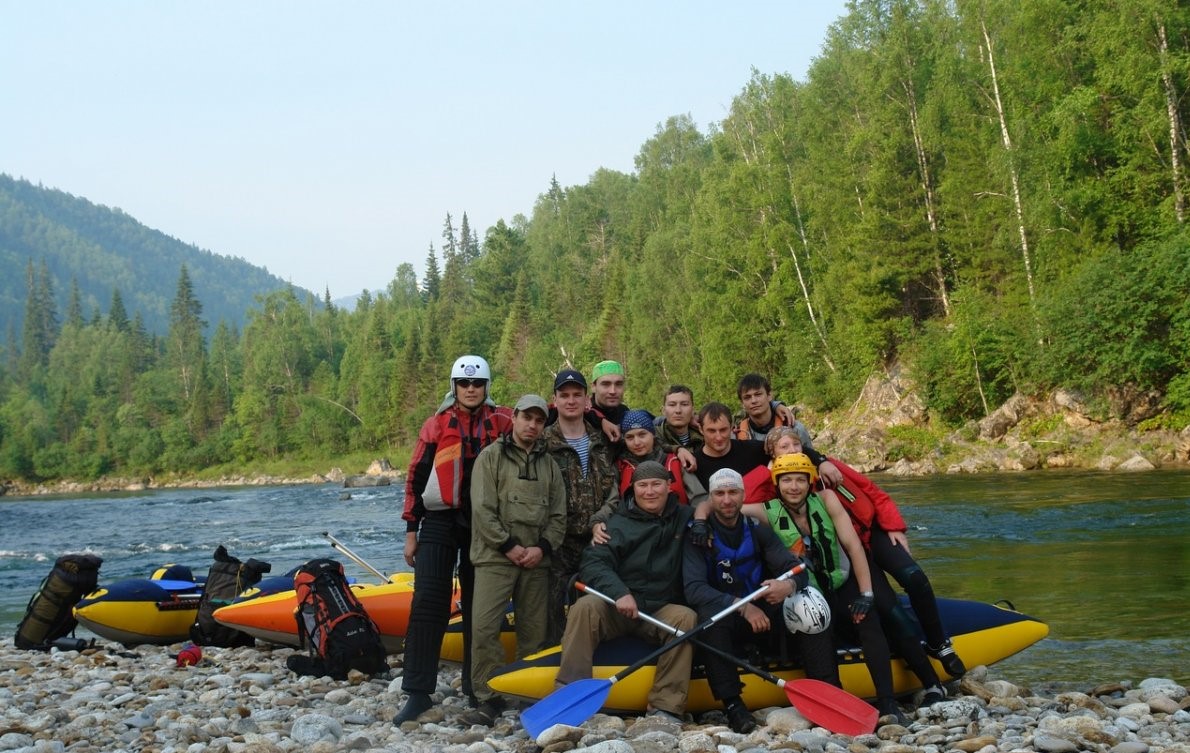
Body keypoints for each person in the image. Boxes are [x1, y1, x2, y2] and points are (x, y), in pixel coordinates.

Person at [747, 454, 943, 723]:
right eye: (787, 481)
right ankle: (834, 699)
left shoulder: (827, 500)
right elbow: (721, 505)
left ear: (810, 482)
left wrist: (866, 594)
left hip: (841, 583)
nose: (794, 487)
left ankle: (887, 703)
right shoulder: (764, 511)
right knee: (820, 635)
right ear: (777, 484)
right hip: (807, 593)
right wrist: (699, 520)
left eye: (800, 480)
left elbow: (853, 548)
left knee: (869, 620)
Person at [764, 428, 966, 679]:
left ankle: (939, 646)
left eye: (796, 444)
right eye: (784, 446)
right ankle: (928, 681)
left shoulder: (828, 469)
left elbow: (872, 492)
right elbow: (743, 500)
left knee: (913, 577)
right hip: (846, 551)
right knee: (889, 609)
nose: (793, 450)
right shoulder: (774, 484)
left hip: (872, 534)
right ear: (772, 455)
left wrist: (895, 526)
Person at [395, 355, 513, 725]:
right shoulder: (436, 425)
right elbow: (416, 478)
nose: (471, 389)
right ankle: (417, 692)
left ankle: (478, 689)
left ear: (486, 386)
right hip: (440, 519)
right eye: (464, 383)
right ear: (454, 386)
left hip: (485, 522)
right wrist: (411, 531)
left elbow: (544, 419)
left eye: (477, 384)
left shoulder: (503, 421)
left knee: (481, 606)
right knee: (429, 600)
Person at [682, 468, 835, 733]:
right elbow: (694, 589)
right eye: (720, 493)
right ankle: (733, 706)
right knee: (708, 620)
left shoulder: (758, 530)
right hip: (725, 615)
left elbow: (796, 569)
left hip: (762, 613)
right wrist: (743, 607)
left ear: (743, 496)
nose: (727, 500)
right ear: (711, 498)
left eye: (733, 492)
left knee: (809, 603)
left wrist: (787, 585)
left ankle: (828, 691)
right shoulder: (697, 536)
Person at [556, 461, 697, 721]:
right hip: (617, 608)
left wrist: (702, 523)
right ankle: (570, 693)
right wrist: (619, 592)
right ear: (633, 489)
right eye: (643, 485)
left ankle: (666, 705)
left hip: (658, 609)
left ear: (669, 486)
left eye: (656, 484)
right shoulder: (616, 523)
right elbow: (593, 562)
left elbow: (710, 508)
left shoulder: (685, 517)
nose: (650, 491)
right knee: (585, 607)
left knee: (685, 618)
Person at [463, 394, 567, 725]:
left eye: (539, 421)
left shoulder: (549, 465)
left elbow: (559, 515)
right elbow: (481, 509)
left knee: (534, 632)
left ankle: (527, 696)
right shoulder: (490, 457)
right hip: (495, 558)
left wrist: (542, 548)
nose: (532, 425)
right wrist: (508, 545)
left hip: (536, 561)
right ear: (515, 417)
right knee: (484, 628)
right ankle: (488, 697)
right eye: (527, 418)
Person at [542, 368, 620, 642]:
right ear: (555, 400)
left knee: (598, 604)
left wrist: (601, 518)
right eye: (564, 395)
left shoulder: (605, 439)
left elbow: (615, 489)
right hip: (557, 541)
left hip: (598, 537)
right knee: (552, 609)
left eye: (577, 395)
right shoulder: (542, 443)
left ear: (588, 400)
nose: (571, 401)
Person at [693, 402, 841, 504]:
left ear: (732, 427)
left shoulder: (753, 449)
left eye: (723, 430)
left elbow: (790, 451)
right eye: (711, 431)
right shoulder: (694, 463)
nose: (718, 437)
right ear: (701, 429)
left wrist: (822, 461)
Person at [734, 373, 814, 448]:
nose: (753, 400)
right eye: (747, 397)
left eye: (758, 394)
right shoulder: (736, 436)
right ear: (742, 403)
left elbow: (812, 460)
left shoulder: (795, 429)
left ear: (769, 396)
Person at [656, 385, 703, 450]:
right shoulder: (653, 436)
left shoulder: (704, 437)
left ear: (692, 410)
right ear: (663, 410)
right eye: (672, 405)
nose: (678, 410)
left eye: (684, 404)